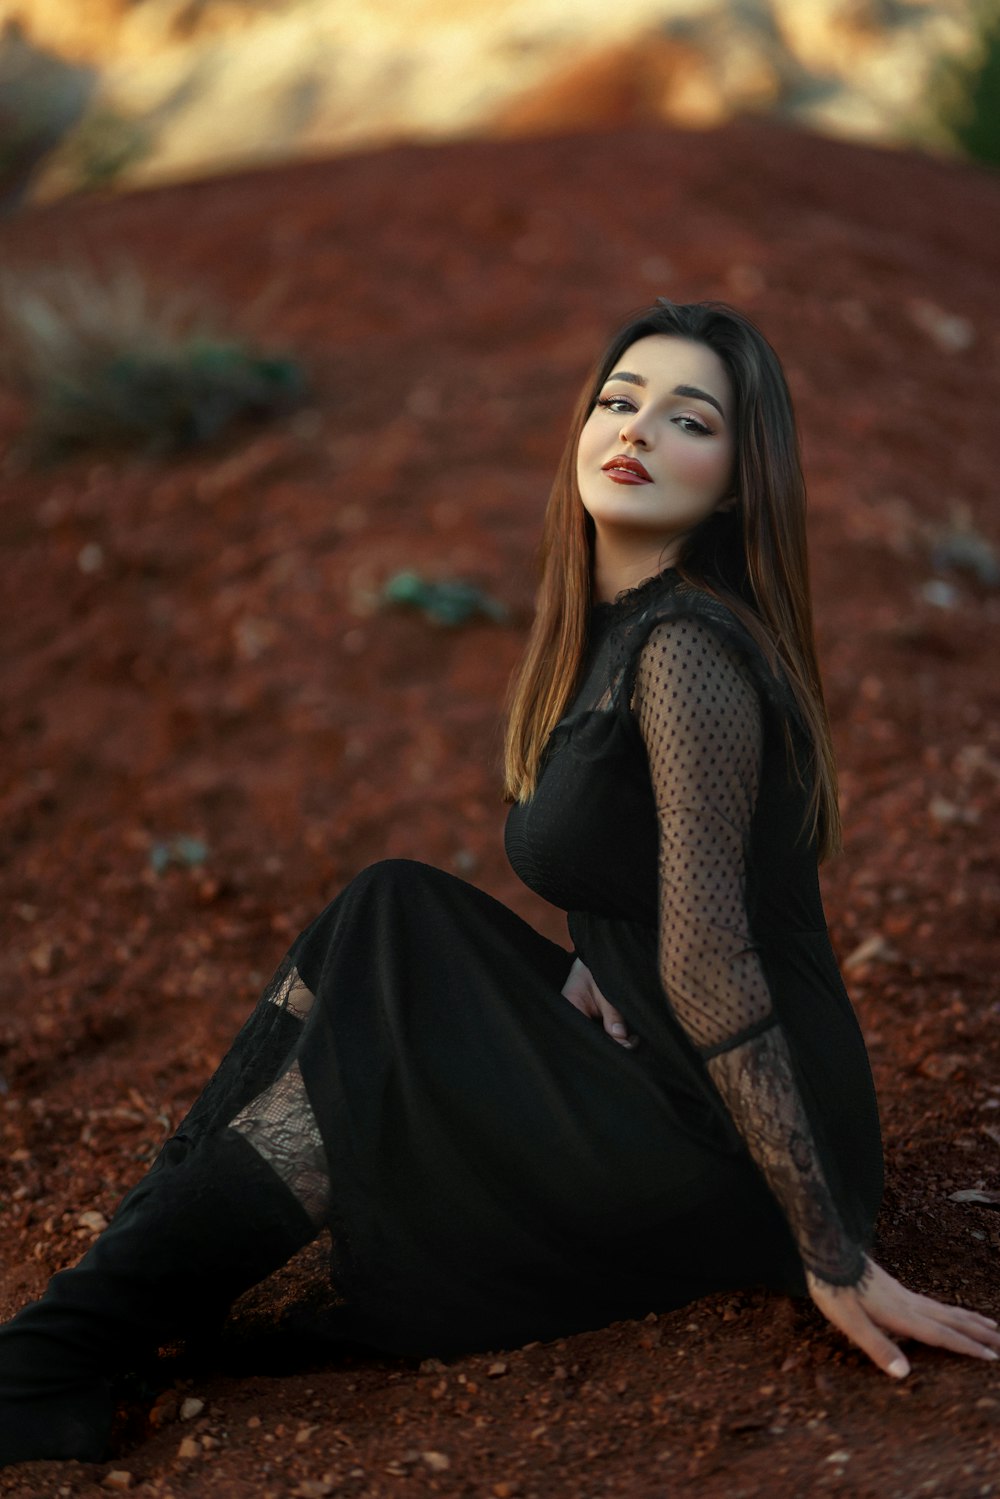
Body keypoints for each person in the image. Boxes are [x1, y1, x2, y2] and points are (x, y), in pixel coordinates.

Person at [1, 299, 996, 1469]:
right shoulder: (617, 630)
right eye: (619, 401)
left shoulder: (690, 651)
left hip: (731, 1134)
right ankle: (84, 1333)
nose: (636, 429)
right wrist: (591, 963)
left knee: (375, 1031)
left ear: (736, 482)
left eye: (689, 419)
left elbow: (712, 953)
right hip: (664, 1056)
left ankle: (55, 1352)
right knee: (390, 907)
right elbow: (650, 878)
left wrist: (827, 1244)